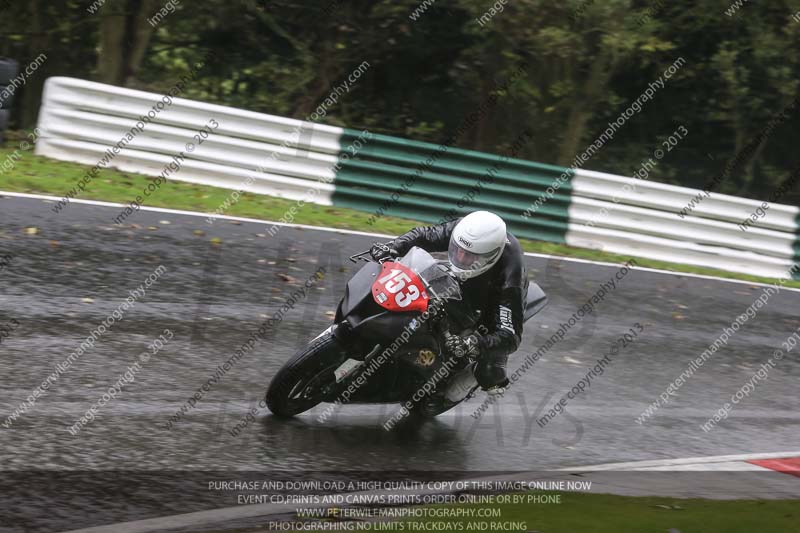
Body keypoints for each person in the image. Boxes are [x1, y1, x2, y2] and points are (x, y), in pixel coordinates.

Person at [370, 211, 527, 394]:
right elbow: (425, 235)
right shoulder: (463, 231)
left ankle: (448, 392)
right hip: (454, 280)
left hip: (488, 304)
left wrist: (473, 343)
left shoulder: (511, 274)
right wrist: (394, 247)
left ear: (490, 256)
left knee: (491, 375)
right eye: (457, 249)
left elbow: (510, 336)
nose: (460, 257)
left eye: (469, 256)